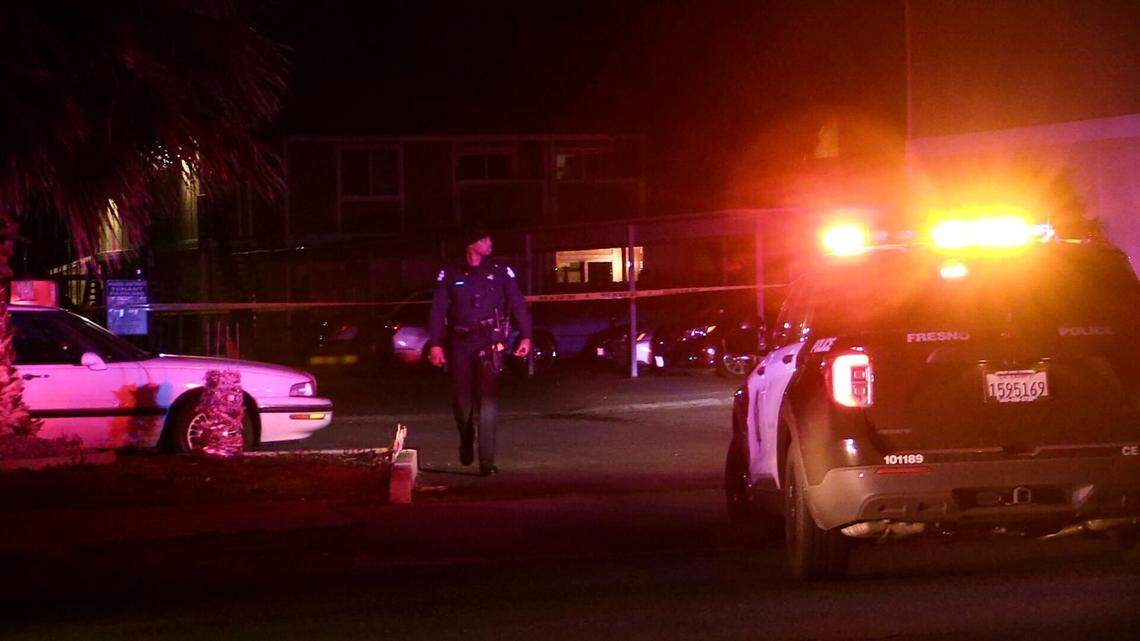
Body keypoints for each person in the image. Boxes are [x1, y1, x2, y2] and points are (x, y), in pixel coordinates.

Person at [427, 228, 532, 476]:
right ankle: (466, 437)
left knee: (488, 401)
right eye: (484, 239)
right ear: (471, 243)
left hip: (488, 342)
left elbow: (517, 303)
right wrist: (435, 343)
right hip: (460, 343)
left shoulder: (500, 271)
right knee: (462, 401)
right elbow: (438, 310)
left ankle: (487, 462)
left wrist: (526, 335)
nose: (490, 243)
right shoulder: (450, 273)